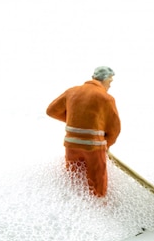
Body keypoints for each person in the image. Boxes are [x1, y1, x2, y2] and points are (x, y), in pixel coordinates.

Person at [46, 66, 121, 197]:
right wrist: (107, 144)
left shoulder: (72, 92)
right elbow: (114, 129)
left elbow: (51, 111)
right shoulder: (106, 98)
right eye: (110, 81)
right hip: (93, 148)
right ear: (104, 80)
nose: (110, 85)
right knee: (97, 183)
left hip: (71, 145)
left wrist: (75, 121)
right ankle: (98, 208)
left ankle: (72, 201)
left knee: (73, 179)